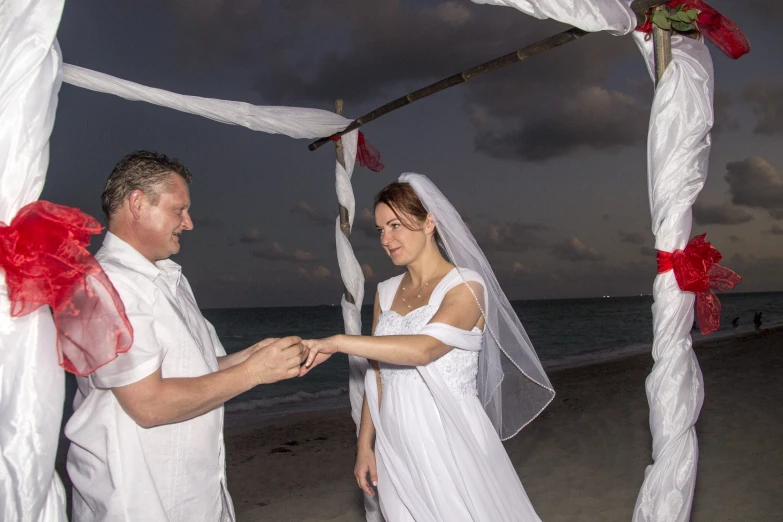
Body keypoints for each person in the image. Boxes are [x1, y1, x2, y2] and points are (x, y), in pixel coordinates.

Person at [65, 151, 305, 522]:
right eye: (180, 210)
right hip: (139, 500)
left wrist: (264, 355)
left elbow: (201, 368)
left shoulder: (170, 279)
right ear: (138, 203)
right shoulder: (105, 285)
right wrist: (253, 373)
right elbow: (148, 405)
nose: (189, 223)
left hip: (193, 494)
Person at [301, 174, 554, 521]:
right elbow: (376, 374)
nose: (386, 239)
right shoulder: (386, 292)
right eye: (379, 230)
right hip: (396, 440)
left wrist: (339, 341)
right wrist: (365, 447)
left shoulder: (466, 286)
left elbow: (424, 349)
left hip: (448, 438)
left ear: (429, 222)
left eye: (395, 225)